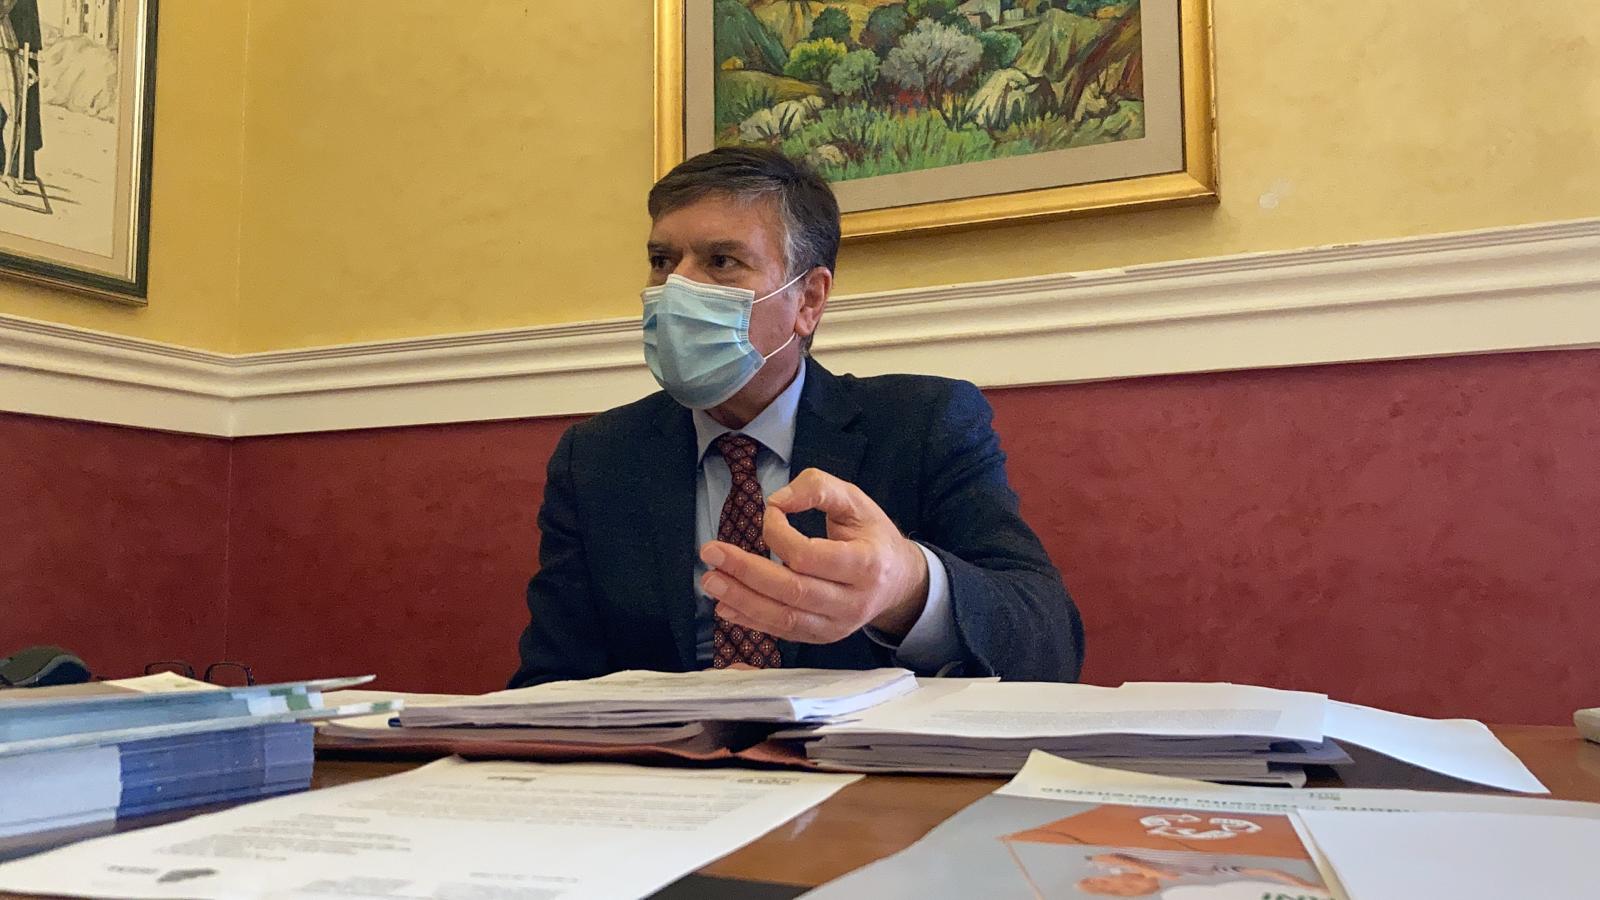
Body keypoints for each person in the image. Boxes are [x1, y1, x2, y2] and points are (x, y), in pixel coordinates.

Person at [508, 147, 1082, 687]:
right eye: (662, 261)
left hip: (854, 753)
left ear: (808, 300)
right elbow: (550, 683)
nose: (677, 288)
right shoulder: (599, 456)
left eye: (721, 261)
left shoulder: (924, 424)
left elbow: (1051, 643)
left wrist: (906, 585)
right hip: (667, 757)